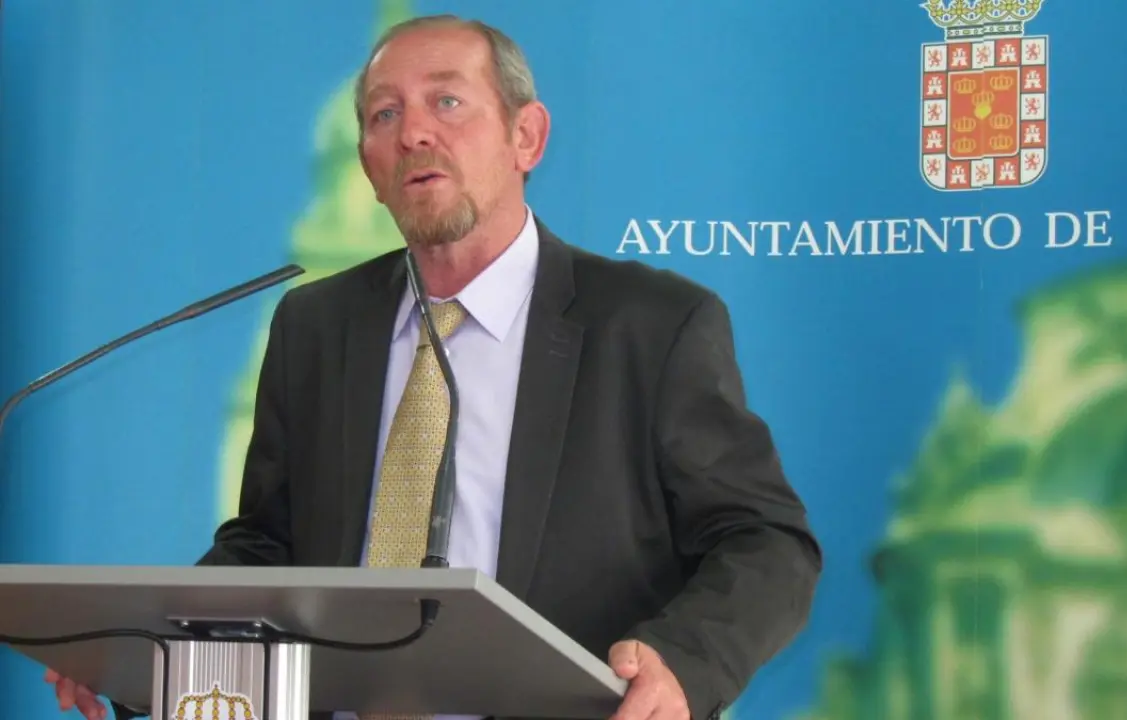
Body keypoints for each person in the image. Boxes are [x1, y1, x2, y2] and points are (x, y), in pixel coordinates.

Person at [46, 14, 821, 720]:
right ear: (369, 166)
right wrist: (143, 649)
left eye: (447, 102)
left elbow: (765, 541)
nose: (414, 131)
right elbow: (269, 545)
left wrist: (685, 662)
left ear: (527, 137)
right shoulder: (316, 326)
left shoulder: (650, 325)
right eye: (385, 115)